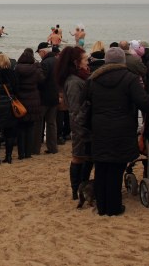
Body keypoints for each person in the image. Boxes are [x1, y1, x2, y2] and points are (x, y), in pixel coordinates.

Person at [82, 47, 149, 216]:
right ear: (122, 62)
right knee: (116, 168)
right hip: (121, 129)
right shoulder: (130, 78)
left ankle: (102, 207)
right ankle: (114, 207)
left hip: (99, 128)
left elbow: (86, 102)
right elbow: (143, 101)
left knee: (102, 167)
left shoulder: (93, 79)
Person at [55, 46, 91, 200]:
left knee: (85, 157)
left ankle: (81, 188)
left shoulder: (78, 79)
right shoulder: (75, 82)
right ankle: (77, 190)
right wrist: (81, 129)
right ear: (76, 62)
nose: (87, 63)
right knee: (79, 157)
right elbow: (76, 109)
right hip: (80, 126)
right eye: (85, 60)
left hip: (81, 124)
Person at [14, 49, 44, 159]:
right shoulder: (35, 69)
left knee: (21, 128)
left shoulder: (17, 68)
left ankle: (21, 153)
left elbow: (14, 83)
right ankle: (28, 153)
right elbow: (42, 81)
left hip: (21, 100)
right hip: (33, 99)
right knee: (30, 127)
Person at [34, 42, 60, 155]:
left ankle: (35, 149)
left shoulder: (45, 63)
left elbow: (41, 80)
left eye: (39, 53)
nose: (39, 55)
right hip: (54, 96)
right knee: (51, 123)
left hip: (44, 97)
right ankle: (53, 148)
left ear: (43, 52)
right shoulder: (57, 61)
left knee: (39, 123)